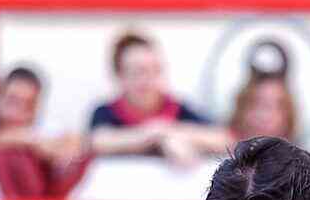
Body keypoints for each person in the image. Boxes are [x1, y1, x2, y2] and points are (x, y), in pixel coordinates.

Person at [86, 29, 230, 164]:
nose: (148, 80)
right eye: (138, 72)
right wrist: (151, 135)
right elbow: (98, 141)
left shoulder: (176, 108)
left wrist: (171, 132)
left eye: (155, 70)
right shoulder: (106, 112)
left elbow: (223, 138)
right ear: (120, 75)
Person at [0, 65, 88, 199]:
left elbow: (74, 141)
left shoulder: (41, 131)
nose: (18, 113)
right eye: (13, 102)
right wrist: (35, 143)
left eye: (28, 105)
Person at [229, 71, 299, 142]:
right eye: (256, 104)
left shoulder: (297, 146)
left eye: (273, 107)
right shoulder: (227, 142)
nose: (264, 116)